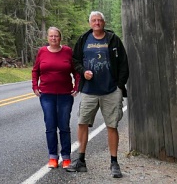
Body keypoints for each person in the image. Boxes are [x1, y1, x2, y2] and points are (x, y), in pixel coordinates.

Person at [66, 11, 129, 178]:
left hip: (111, 90)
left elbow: (124, 63)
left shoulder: (113, 39)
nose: (97, 23)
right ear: (90, 23)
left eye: (99, 20)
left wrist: (119, 85)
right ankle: (81, 160)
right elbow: (75, 60)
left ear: (104, 22)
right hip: (89, 91)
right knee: (82, 123)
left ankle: (114, 163)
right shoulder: (83, 40)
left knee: (112, 125)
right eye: (94, 20)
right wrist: (82, 72)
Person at [32, 26, 79, 169]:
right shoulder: (42, 52)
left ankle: (66, 157)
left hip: (65, 95)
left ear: (60, 38)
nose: (54, 38)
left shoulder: (67, 52)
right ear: (48, 38)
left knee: (64, 126)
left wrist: (77, 87)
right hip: (47, 95)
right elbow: (35, 70)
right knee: (50, 126)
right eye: (51, 36)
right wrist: (35, 86)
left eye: (56, 36)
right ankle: (53, 157)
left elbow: (76, 71)